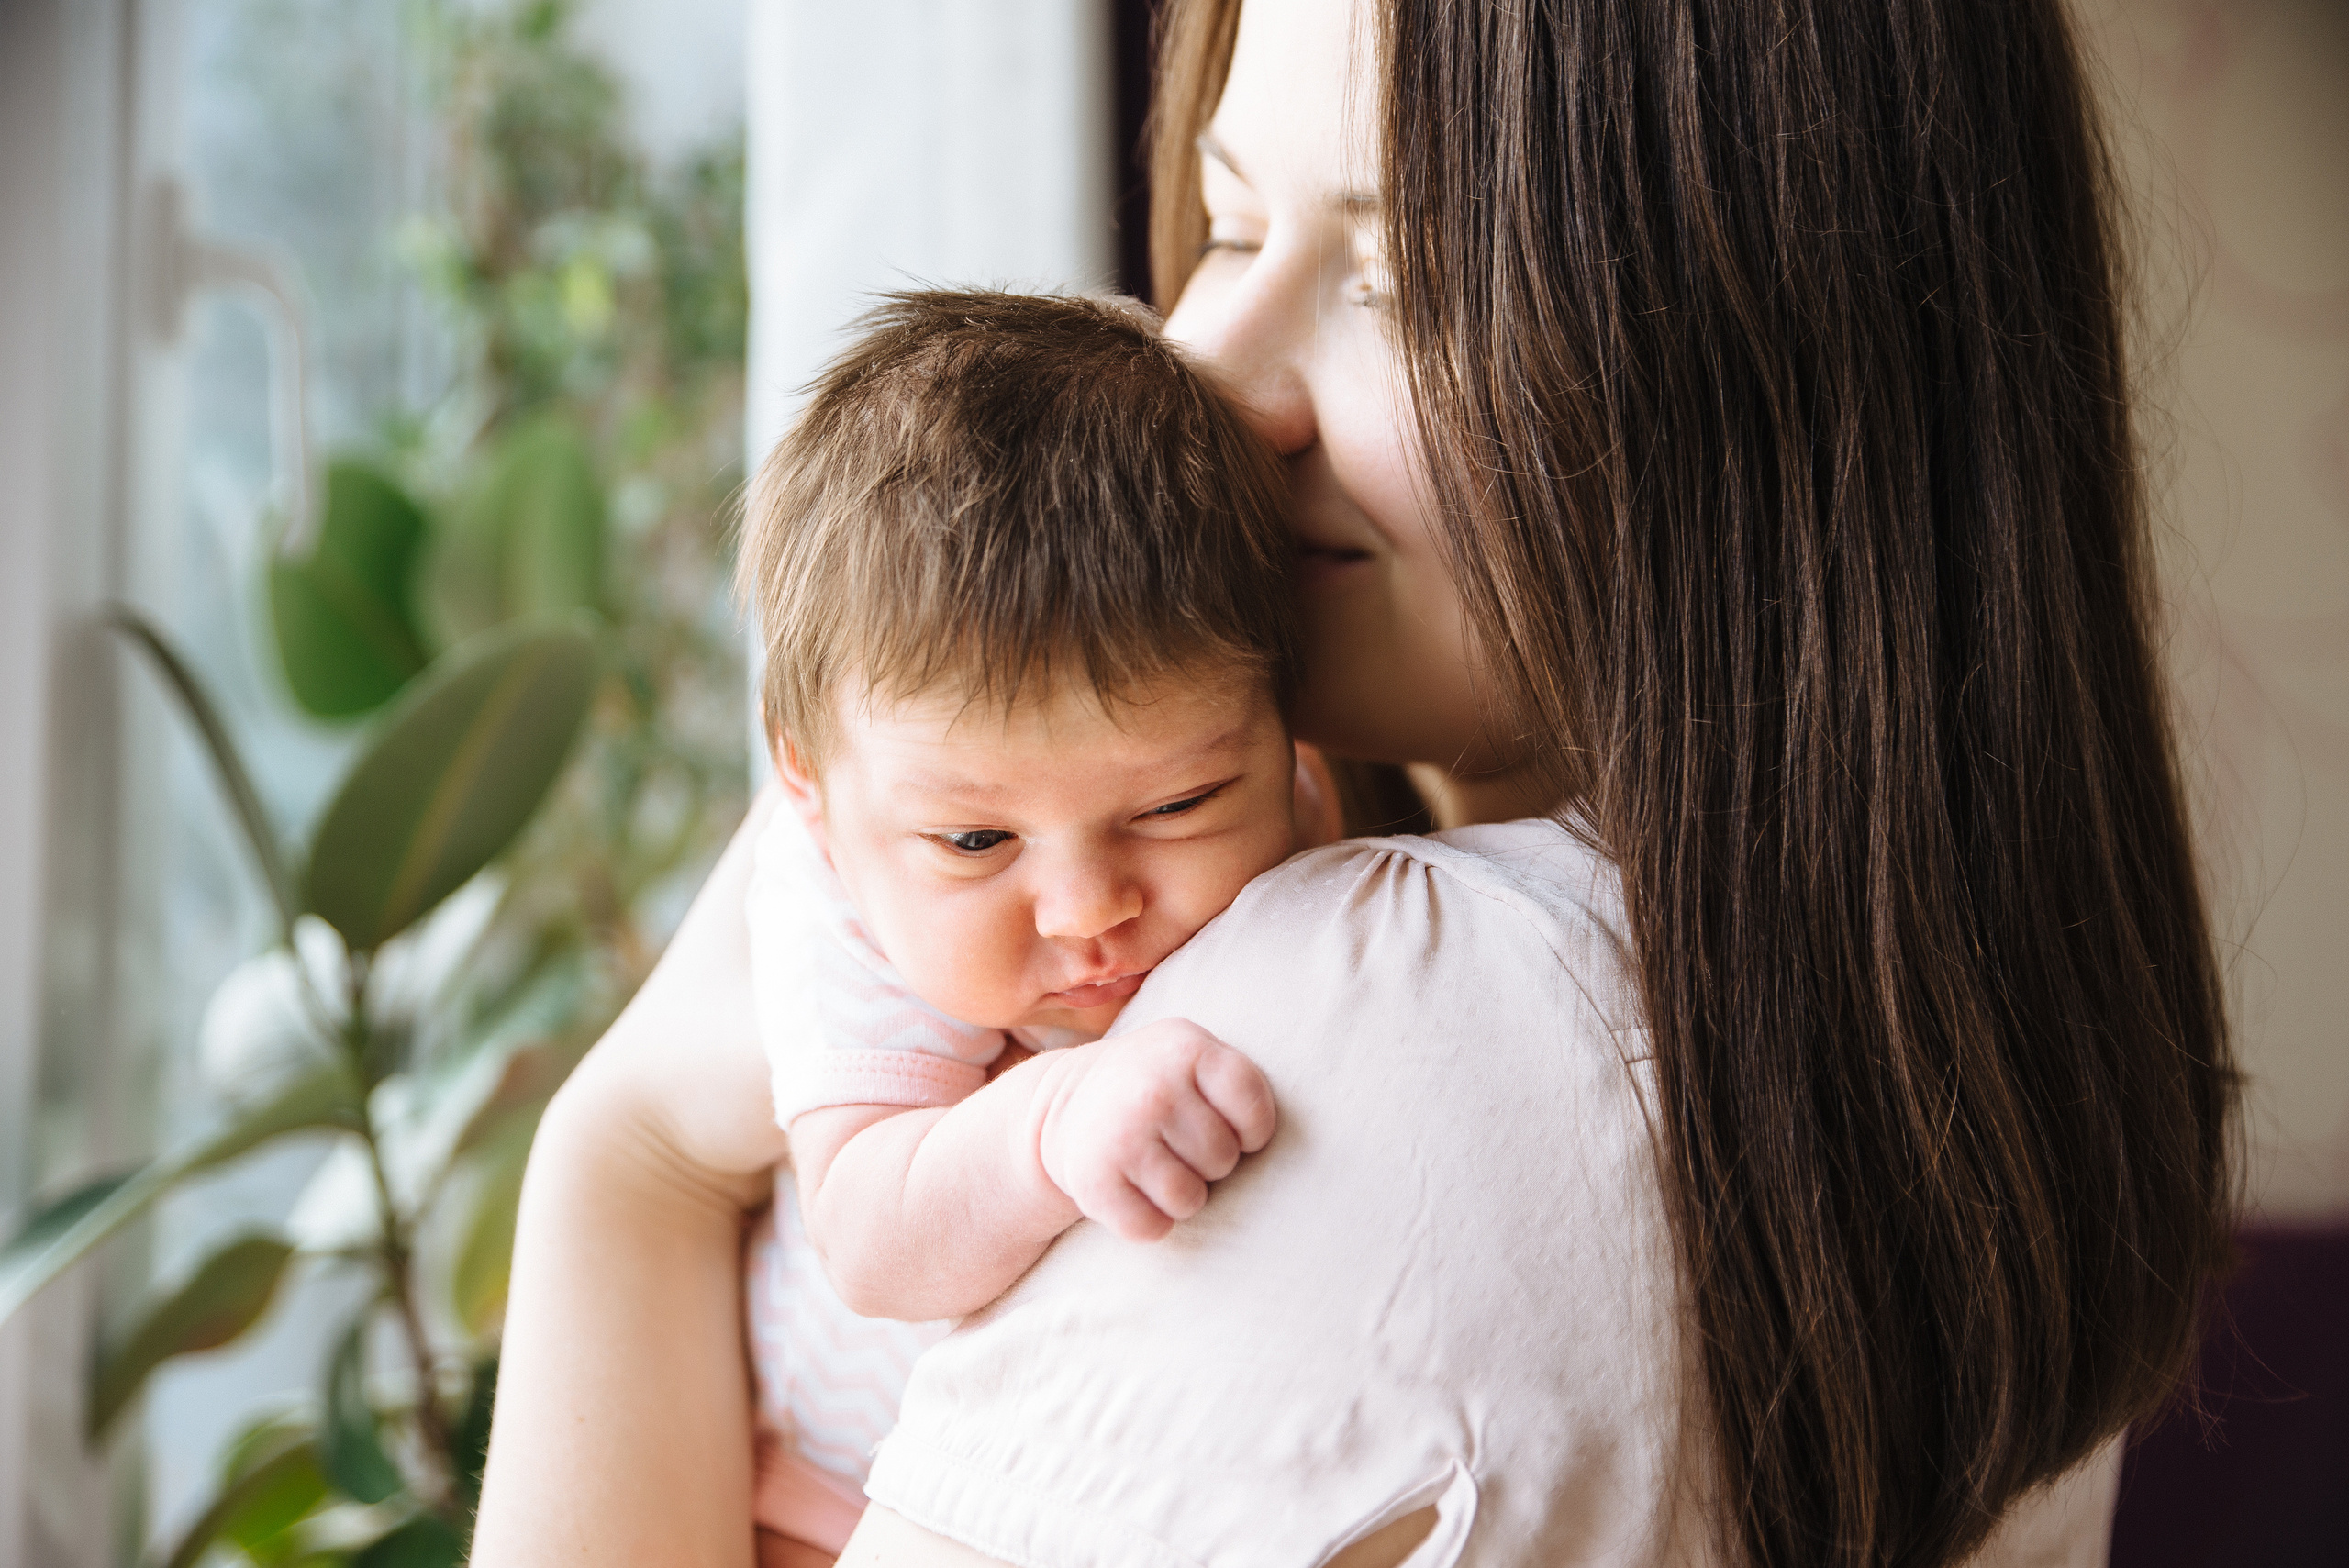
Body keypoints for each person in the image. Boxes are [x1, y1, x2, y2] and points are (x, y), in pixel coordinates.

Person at [473, 0, 2239, 1561]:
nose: (1217, 382)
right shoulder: (1959, 1049)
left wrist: (618, 1156)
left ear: (1766, 379)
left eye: (1403, 279)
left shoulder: (1378, 1028)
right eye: (1230, 223)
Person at [729, 289, 1344, 1551]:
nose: (1087, 910)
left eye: (1175, 803)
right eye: (977, 841)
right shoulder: (832, 898)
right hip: (829, 1490)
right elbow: (872, 1238)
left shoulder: (1303, 810)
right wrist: (1057, 1116)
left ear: (1287, 719)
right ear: (809, 783)